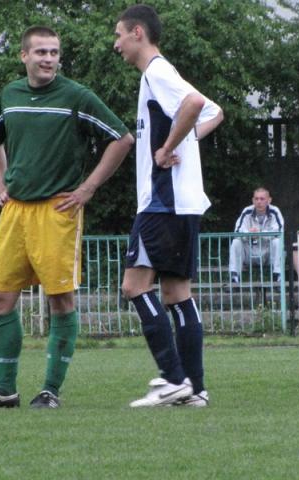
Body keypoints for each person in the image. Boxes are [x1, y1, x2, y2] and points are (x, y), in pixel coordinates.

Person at [0, 26, 134, 409]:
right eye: (41, 52)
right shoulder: (11, 95)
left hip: (58, 209)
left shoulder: (76, 96)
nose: (49, 59)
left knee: (60, 300)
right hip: (15, 212)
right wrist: (1, 183)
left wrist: (88, 188)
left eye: (54, 52)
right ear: (23, 56)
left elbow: (122, 138)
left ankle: (50, 391)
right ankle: (5, 392)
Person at [114, 4, 224, 407]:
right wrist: (183, 141)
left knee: (134, 287)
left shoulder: (157, 72)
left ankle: (173, 378)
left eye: (119, 35)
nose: (116, 44)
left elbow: (194, 104)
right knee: (177, 294)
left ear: (137, 33)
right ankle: (195, 389)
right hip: (183, 202)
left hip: (162, 202)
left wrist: (167, 148)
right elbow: (214, 111)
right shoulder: (163, 73)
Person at [228, 187, 284, 284]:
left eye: (262, 199)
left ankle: (278, 278)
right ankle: (234, 278)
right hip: (249, 252)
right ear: (253, 200)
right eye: (256, 199)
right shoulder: (247, 211)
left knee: (277, 242)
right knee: (236, 242)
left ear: (269, 200)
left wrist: (260, 233)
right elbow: (237, 232)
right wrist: (249, 233)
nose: (259, 202)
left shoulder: (275, 211)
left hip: (267, 253)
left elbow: (279, 232)